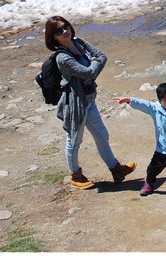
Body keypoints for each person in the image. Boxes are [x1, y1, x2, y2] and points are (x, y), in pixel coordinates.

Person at [45, 15, 136, 189]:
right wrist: (94, 64)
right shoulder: (62, 58)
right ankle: (76, 175)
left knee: (102, 135)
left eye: (66, 26)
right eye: (59, 30)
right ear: (53, 36)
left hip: (88, 100)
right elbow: (88, 73)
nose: (65, 31)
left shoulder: (78, 42)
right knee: (74, 140)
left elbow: (102, 55)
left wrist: (93, 64)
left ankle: (116, 169)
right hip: (75, 104)